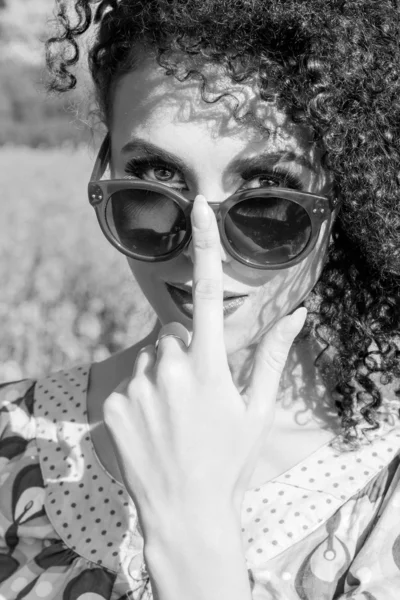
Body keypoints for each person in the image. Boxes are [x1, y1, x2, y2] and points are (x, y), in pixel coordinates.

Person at [1, 0, 400, 598]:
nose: (203, 252)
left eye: (269, 199)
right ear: (105, 170)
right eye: (154, 185)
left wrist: (193, 538)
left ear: (346, 199)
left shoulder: (385, 491)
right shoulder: (13, 435)